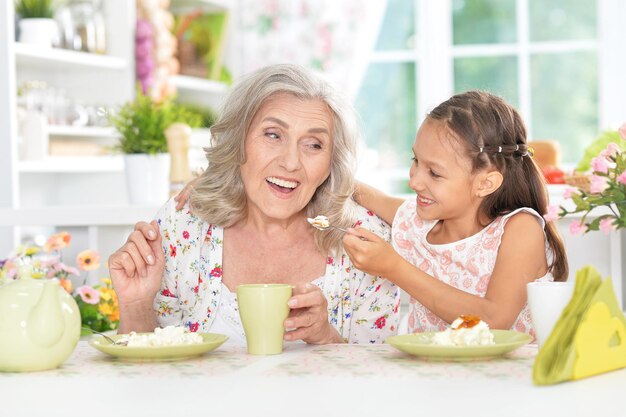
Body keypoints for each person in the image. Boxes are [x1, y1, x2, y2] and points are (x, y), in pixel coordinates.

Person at [108, 64, 399, 345]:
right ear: (239, 139)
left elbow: (379, 382)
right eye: (273, 135)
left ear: (331, 161)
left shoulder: (366, 243)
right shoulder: (183, 225)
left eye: (314, 145)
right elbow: (149, 378)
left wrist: (327, 338)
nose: (290, 162)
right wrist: (135, 304)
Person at [343, 90, 568, 336]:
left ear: (485, 183)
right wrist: (328, 176)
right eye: (415, 160)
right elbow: (371, 197)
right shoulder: (417, 222)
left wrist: (393, 268)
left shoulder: (520, 229)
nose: (415, 181)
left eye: (434, 173)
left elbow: (494, 319)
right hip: (432, 371)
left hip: (506, 373)